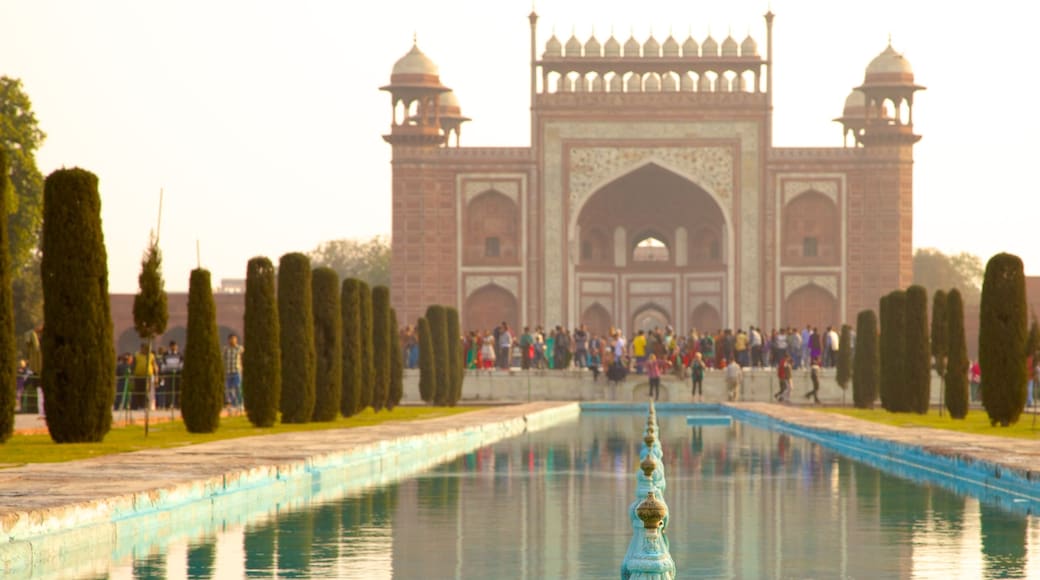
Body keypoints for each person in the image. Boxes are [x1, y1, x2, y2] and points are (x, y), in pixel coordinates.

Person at [132, 342, 158, 410]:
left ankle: (145, 406)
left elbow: (155, 366)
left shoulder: (151, 356)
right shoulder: (136, 355)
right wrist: (132, 376)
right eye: (142, 348)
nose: (144, 350)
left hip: (148, 376)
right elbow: (133, 366)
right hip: (138, 376)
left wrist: (156, 376)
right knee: (138, 391)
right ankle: (140, 406)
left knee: (146, 391)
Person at [223, 333, 244, 410]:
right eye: (231, 339)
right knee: (229, 389)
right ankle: (232, 404)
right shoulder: (226, 349)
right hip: (228, 372)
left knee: (238, 388)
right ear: (228, 340)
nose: (233, 340)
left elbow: (244, 357)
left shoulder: (240, 348)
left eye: (234, 339)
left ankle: (240, 403)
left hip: (236, 371)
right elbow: (223, 359)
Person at [160, 340, 183, 409]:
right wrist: (164, 372)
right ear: (170, 347)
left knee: (177, 389)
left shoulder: (179, 354)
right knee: (168, 389)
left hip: (177, 374)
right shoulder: (166, 354)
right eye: (172, 346)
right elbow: (163, 364)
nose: (174, 347)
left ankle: (177, 404)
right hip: (168, 373)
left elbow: (181, 364)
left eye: (175, 346)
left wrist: (179, 371)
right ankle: (168, 404)